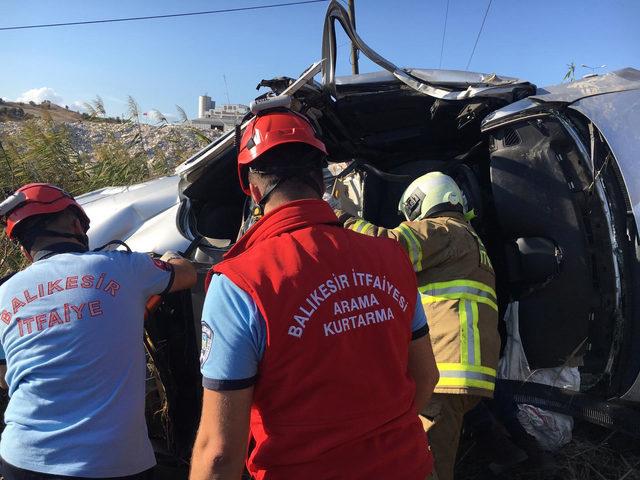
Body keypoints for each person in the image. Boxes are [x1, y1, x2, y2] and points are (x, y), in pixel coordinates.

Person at [189, 109, 439, 480]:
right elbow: (426, 377)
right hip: (408, 467)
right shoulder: (392, 257)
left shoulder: (239, 283)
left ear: (252, 189)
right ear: (320, 182)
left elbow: (220, 454)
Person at [0, 183, 197, 479]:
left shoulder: (5, 293)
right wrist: (170, 257)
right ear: (75, 223)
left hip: (24, 459)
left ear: (25, 246)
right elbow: (188, 275)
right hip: (112, 464)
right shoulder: (122, 267)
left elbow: (4, 379)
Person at [333, 171, 500, 480]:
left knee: (424, 463)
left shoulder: (444, 230)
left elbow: (388, 246)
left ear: (425, 200)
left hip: (446, 372)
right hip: (464, 372)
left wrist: (341, 218)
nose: (411, 221)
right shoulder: (470, 241)